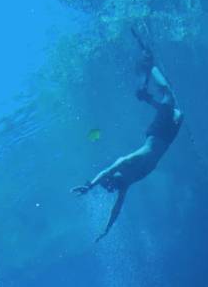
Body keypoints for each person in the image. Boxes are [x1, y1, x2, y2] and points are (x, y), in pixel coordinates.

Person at [71, 39, 183, 241]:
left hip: (156, 134)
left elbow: (106, 171)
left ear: (111, 179)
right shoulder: (126, 184)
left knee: (169, 95)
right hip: (166, 140)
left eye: (110, 184)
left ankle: (149, 65)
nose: (113, 187)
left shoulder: (124, 164)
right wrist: (107, 229)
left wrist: (89, 186)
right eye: (111, 187)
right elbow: (116, 209)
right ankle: (146, 97)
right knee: (178, 114)